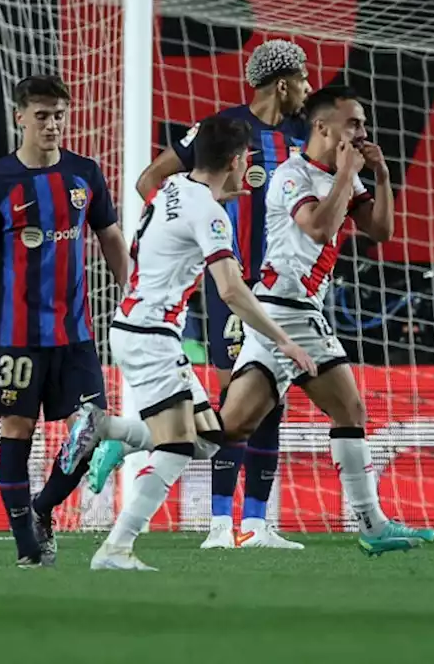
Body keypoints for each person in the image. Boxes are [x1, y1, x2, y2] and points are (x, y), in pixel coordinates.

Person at [64, 114, 315, 570]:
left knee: (209, 441)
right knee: (177, 448)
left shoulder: (171, 188)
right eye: (247, 163)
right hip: (152, 337)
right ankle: (116, 548)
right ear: (238, 161)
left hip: (136, 327)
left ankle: (109, 430)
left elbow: (178, 220)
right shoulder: (209, 213)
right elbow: (232, 290)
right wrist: (286, 341)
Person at [103, 38, 312, 549]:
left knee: (268, 404)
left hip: (282, 284)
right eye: (304, 79)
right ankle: (220, 524)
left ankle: (257, 525)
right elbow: (151, 178)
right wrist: (179, 234)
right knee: (231, 406)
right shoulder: (221, 131)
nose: (309, 90)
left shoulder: (306, 136)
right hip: (231, 288)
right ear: (282, 83)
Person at [214, 85, 434, 556]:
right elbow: (317, 226)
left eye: (363, 124)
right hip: (291, 309)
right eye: (353, 123)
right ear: (323, 127)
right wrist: (347, 175)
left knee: (230, 428)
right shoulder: (293, 174)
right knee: (350, 411)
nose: (362, 132)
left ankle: (122, 437)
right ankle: (373, 526)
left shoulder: (341, 175)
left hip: (278, 310)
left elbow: (380, 231)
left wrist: (379, 175)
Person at [0, 74, 129, 567]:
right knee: (17, 427)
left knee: (91, 430)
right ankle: (28, 547)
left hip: (75, 335)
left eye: (58, 115)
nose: (52, 125)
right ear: (21, 117)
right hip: (19, 338)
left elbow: (111, 238)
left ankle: (43, 509)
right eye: (42, 115)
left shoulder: (84, 174)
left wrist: (133, 294)